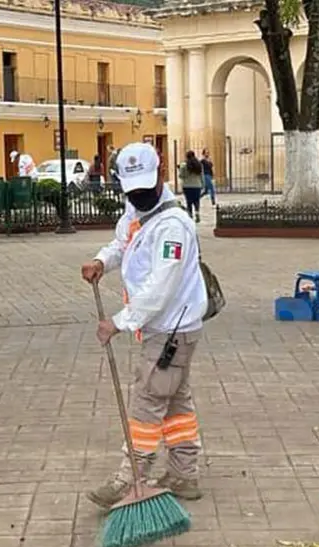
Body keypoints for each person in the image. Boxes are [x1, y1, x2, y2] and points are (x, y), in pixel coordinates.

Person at [80, 142, 208, 508]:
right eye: (132, 190)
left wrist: (118, 323)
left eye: (144, 189)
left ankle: (130, 476)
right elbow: (123, 240)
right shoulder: (138, 210)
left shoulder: (173, 226)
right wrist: (102, 261)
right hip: (165, 328)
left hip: (171, 329)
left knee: (147, 401)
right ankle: (184, 474)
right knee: (175, 399)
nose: (138, 196)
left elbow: (161, 288)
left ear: (160, 175)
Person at [178, 151, 204, 222]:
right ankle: (197, 213)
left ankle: (190, 215)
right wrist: (203, 184)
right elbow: (202, 176)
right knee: (196, 200)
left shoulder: (184, 165)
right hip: (197, 185)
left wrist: (180, 169)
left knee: (188, 201)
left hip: (187, 186)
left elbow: (181, 176)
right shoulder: (199, 165)